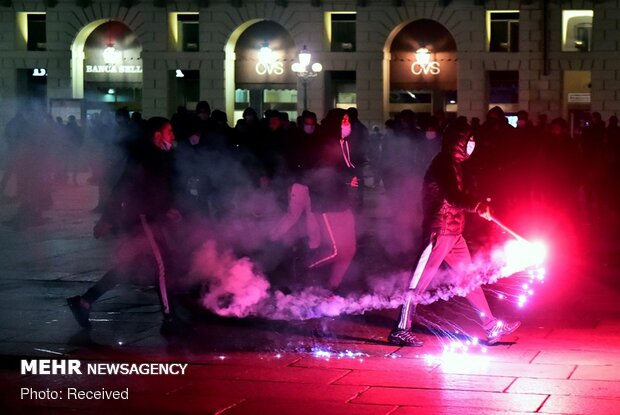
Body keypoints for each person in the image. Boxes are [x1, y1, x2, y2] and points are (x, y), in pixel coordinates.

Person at [388, 119, 521, 347]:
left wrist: (475, 205)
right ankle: (400, 329)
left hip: (454, 232)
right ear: (459, 142)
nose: (473, 144)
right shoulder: (444, 163)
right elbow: (452, 196)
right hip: (438, 231)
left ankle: (491, 326)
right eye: (469, 140)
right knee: (418, 282)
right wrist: (477, 206)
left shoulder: (454, 164)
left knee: (469, 279)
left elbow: (456, 198)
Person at [67, 117, 184, 336]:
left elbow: (161, 189)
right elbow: (123, 186)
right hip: (142, 218)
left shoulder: (161, 157)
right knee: (162, 265)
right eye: (169, 131)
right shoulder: (144, 156)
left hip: (153, 217)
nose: (173, 135)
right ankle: (169, 318)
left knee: (129, 267)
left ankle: (83, 302)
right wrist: (107, 219)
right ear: (157, 135)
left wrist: (170, 207)